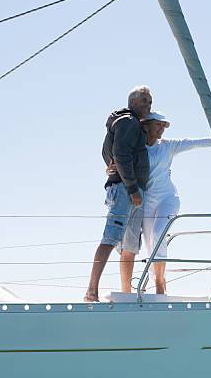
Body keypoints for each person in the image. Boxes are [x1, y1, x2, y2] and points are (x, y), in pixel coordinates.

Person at [107, 111, 211, 294]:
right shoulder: (137, 149)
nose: (162, 129)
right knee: (151, 244)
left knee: (158, 234)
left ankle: (160, 282)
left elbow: (193, 143)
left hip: (168, 199)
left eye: (163, 126)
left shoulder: (168, 146)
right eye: (158, 125)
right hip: (146, 203)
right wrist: (110, 170)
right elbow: (120, 163)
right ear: (146, 125)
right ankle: (152, 281)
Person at [84, 85, 152, 302]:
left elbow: (107, 151)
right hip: (126, 190)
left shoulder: (130, 124)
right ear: (132, 102)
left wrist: (110, 165)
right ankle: (91, 292)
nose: (148, 106)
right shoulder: (128, 122)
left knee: (130, 245)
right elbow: (119, 153)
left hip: (133, 190)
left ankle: (127, 294)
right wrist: (132, 188)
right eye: (145, 101)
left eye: (150, 102)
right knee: (110, 238)